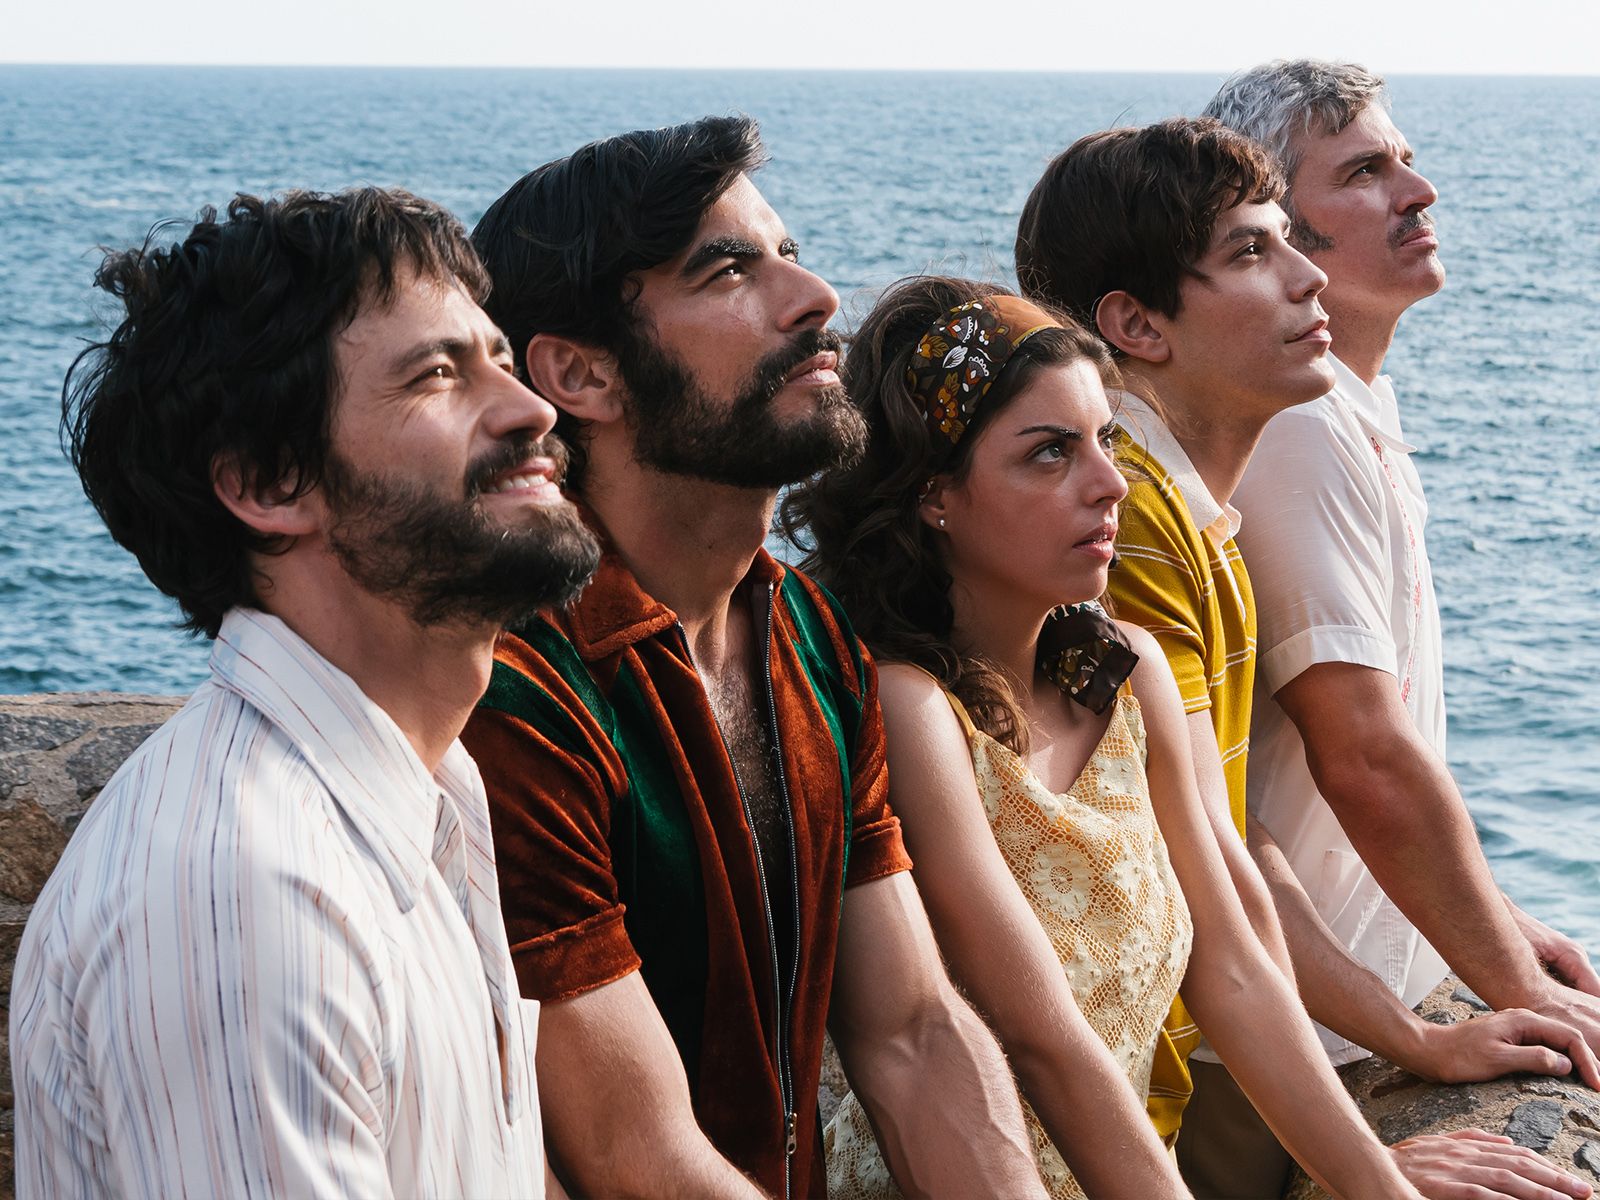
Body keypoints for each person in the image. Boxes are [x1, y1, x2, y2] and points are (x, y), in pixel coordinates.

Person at [463, 115, 1047, 1200]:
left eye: (789, 251)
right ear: (581, 373)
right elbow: (632, 1156)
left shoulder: (809, 638)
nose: (814, 297)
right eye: (729, 270)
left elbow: (914, 1033)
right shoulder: (514, 689)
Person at [1016, 115, 1598, 1200]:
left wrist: (1432, 1026)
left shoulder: (1196, 519)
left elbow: (1238, 834)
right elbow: (1217, 874)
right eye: (1252, 250)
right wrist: (1396, 1106)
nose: (1307, 274)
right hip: (1124, 1095)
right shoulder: (1127, 531)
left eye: (1290, 237)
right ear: (1135, 323)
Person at [10, 188, 602, 1198]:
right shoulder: (246, 892)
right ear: (270, 484)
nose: (532, 408)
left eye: (499, 360)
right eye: (438, 375)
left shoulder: (426, 786)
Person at [784, 274, 1427, 1200]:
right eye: (1050, 453)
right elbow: (1042, 1039)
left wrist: (1383, 1187)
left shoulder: (1129, 674)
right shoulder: (909, 711)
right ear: (933, 494)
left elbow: (1235, 972)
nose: (1110, 483)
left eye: (1107, 440)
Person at [1194, 59, 1600, 1194]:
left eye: (1406, 161)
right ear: (1278, 231)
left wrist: (1495, 922)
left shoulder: (1347, 404)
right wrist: (1517, 987)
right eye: (1366, 171)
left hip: (1336, 1002)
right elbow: (1361, 753)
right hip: (1286, 1037)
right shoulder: (1302, 425)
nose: (1418, 192)